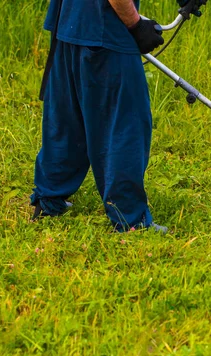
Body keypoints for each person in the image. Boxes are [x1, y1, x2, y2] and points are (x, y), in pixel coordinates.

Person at [30, 0, 168, 233]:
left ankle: (49, 200)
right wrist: (135, 25)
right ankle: (129, 219)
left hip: (69, 25)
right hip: (105, 32)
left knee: (67, 120)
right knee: (123, 125)